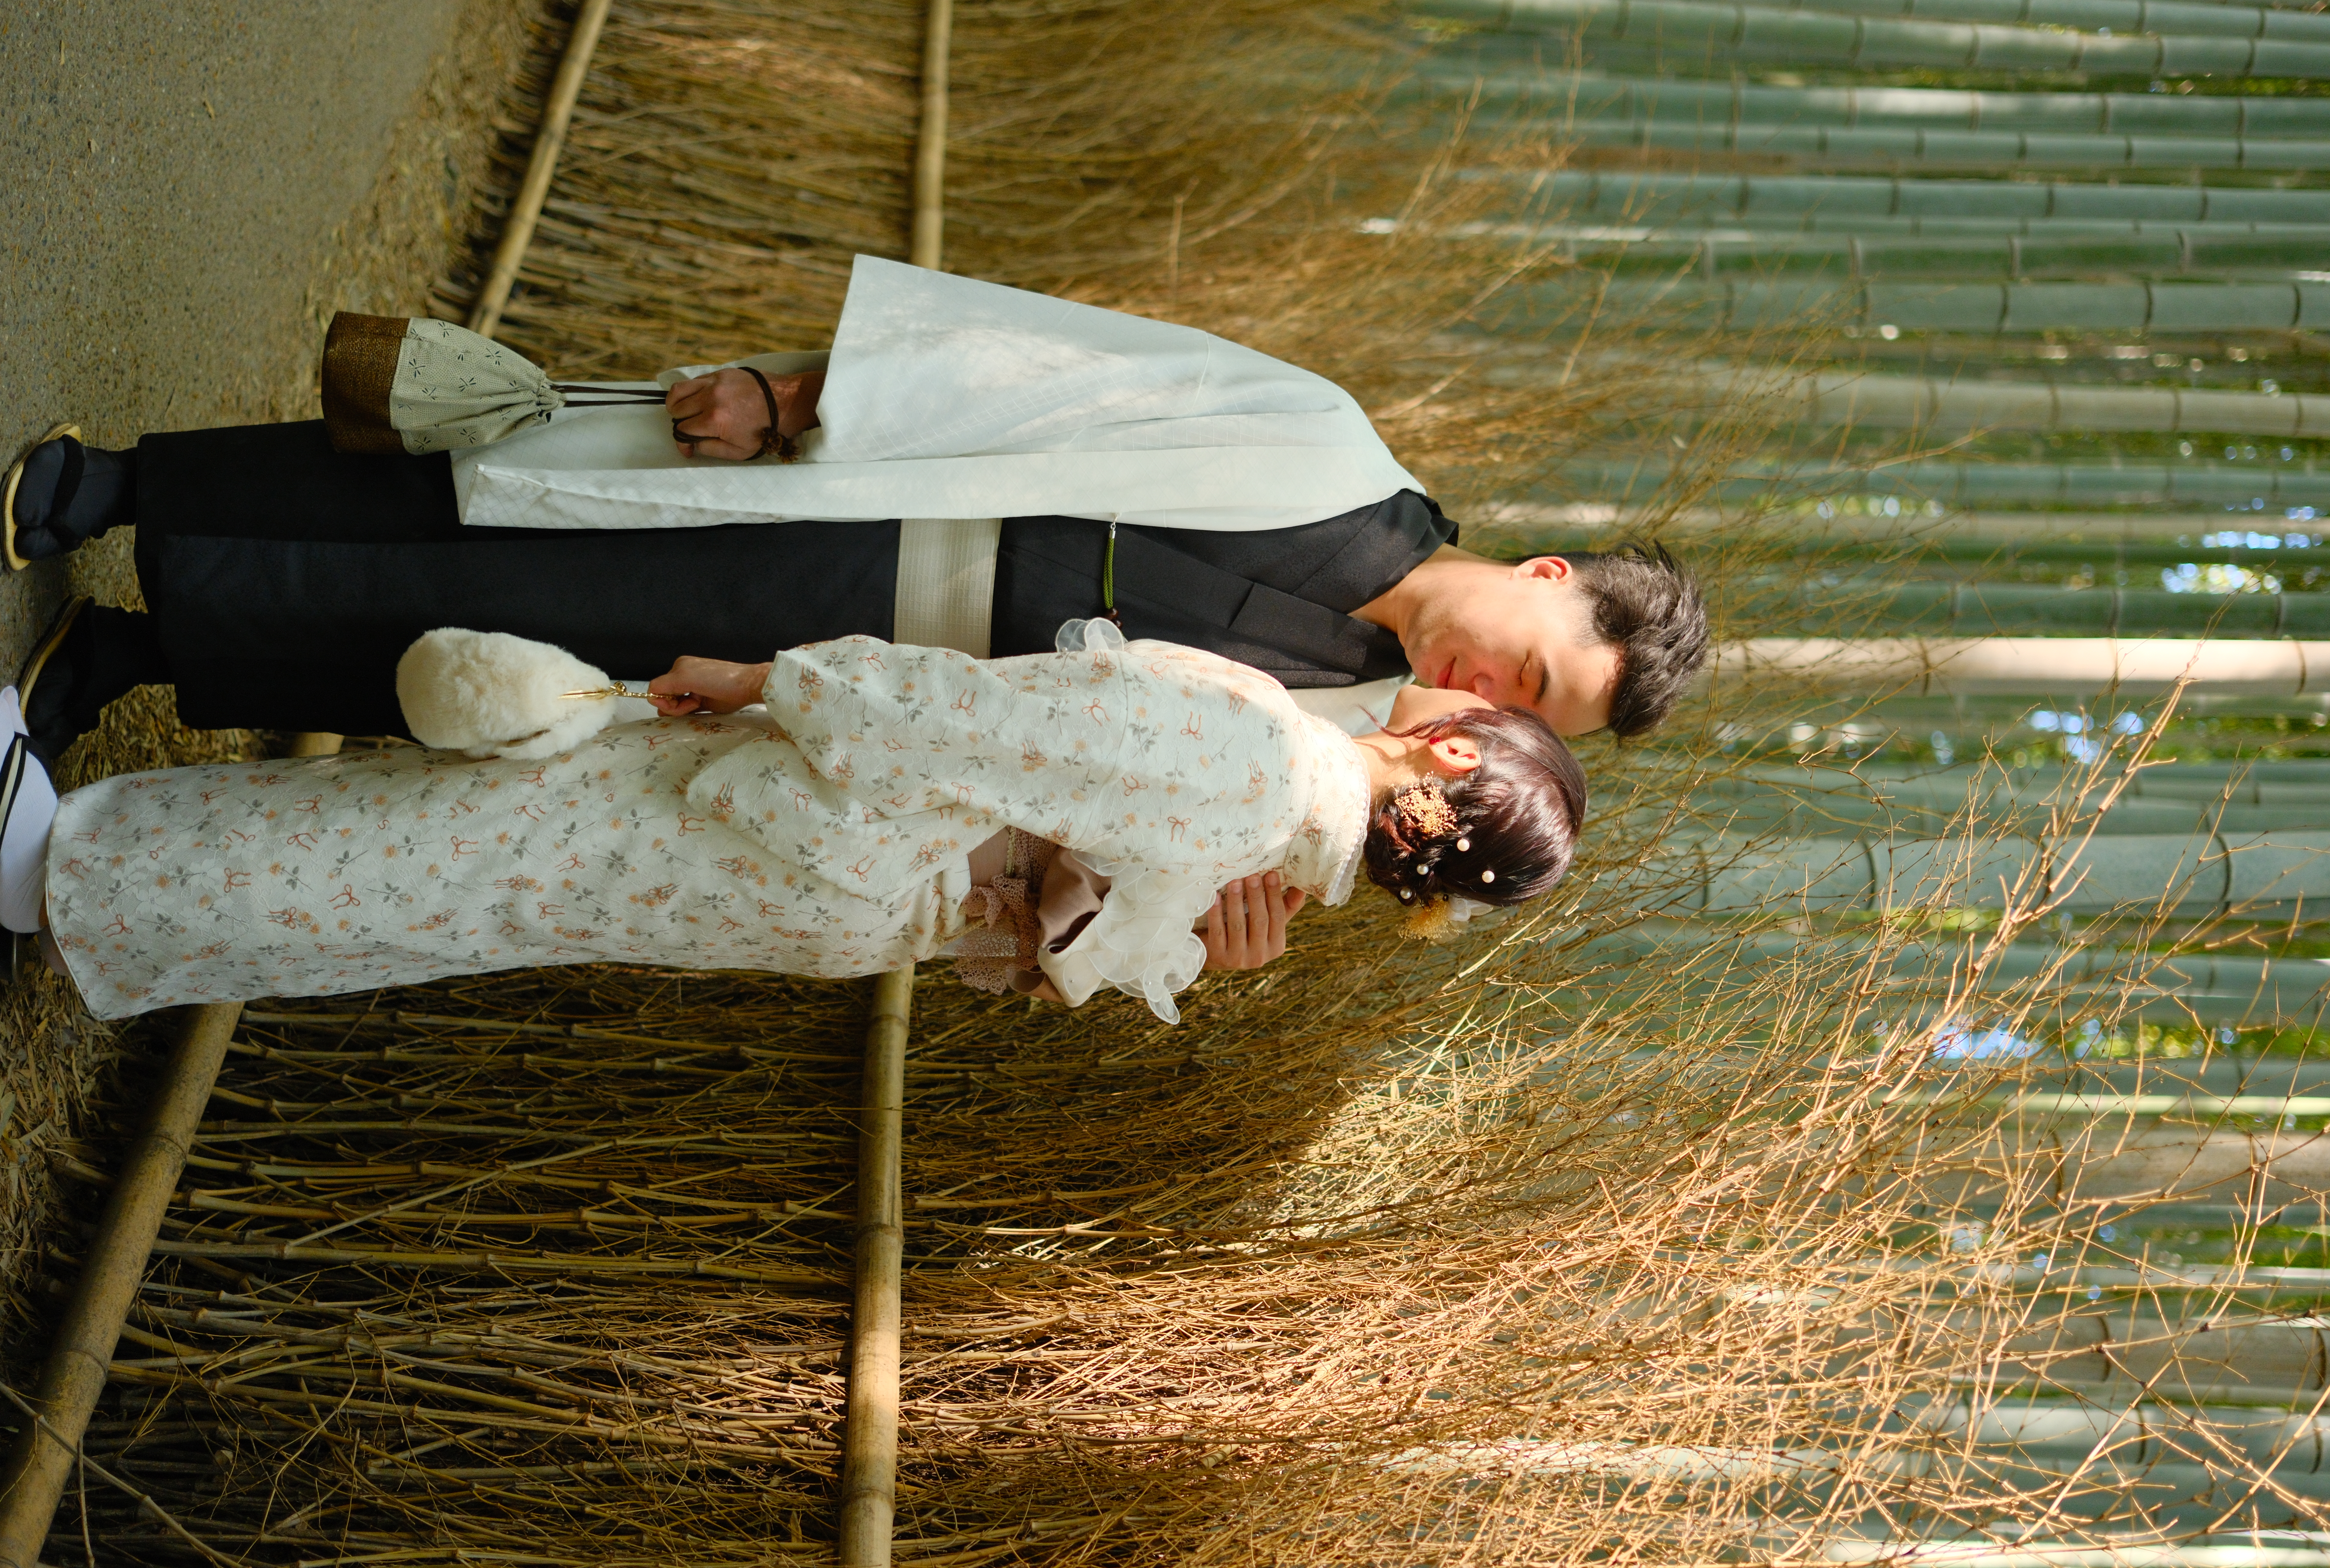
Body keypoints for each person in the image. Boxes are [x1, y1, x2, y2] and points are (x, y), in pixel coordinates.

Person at [2, 257, 1707, 772]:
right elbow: (1051, 365)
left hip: (857, 667)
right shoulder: (1326, 447)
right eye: (1541, 673)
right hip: (883, 494)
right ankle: (126, 487)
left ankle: (148, 652)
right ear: (1551, 580)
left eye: (1530, 725)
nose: (1493, 705)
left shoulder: (1344, 726)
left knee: (516, 671)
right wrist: (806, 392)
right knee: (486, 504)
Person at [0, 625, 1587, 1023]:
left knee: (455, 844)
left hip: (814, 815)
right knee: (463, 896)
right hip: (841, 902)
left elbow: (988, 721)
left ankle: (48, 865)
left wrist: (773, 676)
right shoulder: (1255, 881)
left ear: (1440, 763)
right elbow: (1032, 952)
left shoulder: (1261, 765)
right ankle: (92, 889)